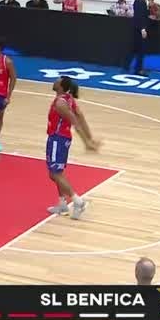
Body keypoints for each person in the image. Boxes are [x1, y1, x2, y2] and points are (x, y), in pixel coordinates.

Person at [45, 76, 100, 218]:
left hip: (58, 139)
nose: (54, 81)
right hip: (61, 139)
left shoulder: (60, 104)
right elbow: (81, 116)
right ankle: (62, 205)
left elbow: (76, 121)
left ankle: (77, 201)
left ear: (61, 86)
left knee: (54, 174)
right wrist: (90, 138)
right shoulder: (69, 98)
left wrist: (86, 142)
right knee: (58, 173)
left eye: (57, 80)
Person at [131, 0, 150, 75]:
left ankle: (140, 67)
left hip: (142, 27)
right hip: (139, 29)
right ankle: (138, 69)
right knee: (140, 49)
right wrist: (142, 29)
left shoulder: (145, 0)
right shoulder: (139, 1)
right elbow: (139, 16)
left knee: (142, 49)